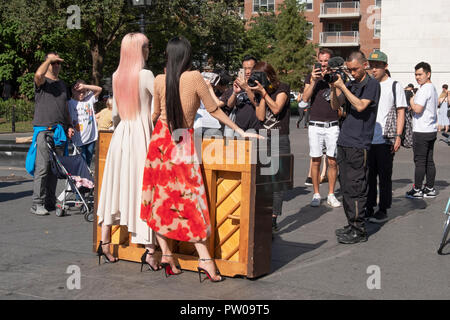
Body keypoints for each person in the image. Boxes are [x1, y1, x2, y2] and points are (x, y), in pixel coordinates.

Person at [140, 36, 262, 282]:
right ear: (186, 55)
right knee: (190, 202)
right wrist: (240, 131)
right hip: (182, 141)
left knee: (159, 201)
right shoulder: (195, 77)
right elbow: (215, 110)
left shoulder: (160, 79)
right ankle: (205, 259)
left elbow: (154, 115)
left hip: (160, 143)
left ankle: (166, 255)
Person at [96, 33, 159, 270]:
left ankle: (104, 243)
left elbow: (115, 115)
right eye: (146, 46)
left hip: (120, 135)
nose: (149, 49)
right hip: (141, 136)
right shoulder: (145, 75)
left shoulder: (116, 76)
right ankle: (149, 250)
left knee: (114, 186)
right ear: (139, 50)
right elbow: (158, 104)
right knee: (142, 188)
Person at [330, 51, 381, 244]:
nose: (352, 73)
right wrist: (334, 87)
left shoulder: (372, 84)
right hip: (344, 141)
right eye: (349, 69)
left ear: (365, 64)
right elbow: (336, 106)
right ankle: (351, 223)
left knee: (357, 187)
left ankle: (359, 230)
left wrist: (343, 85)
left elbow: (360, 106)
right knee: (347, 187)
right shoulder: (350, 83)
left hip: (359, 144)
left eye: (355, 69)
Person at [27, 52, 75, 216]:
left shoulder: (62, 84)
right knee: (43, 167)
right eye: (53, 63)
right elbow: (38, 74)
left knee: (55, 169)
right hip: (44, 130)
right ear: (47, 63)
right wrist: (49, 59)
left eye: (57, 63)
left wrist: (69, 125)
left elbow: (66, 107)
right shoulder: (42, 81)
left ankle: (49, 201)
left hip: (59, 131)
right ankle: (36, 203)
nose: (55, 65)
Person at [249, 61, 291, 232]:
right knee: (262, 179)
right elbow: (260, 117)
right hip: (263, 136)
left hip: (278, 136)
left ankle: (273, 217)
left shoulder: (283, 88)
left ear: (269, 75)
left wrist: (264, 93)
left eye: (260, 75)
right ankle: (263, 214)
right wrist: (259, 94)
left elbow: (276, 109)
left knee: (277, 180)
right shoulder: (260, 91)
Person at [366, 50, 406, 223]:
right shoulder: (367, 84)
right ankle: (368, 206)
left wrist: (398, 136)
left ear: (385, 67)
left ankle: (383, 208)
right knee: (368, 176)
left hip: (386, 138)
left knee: (384, 176)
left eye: (377, 66)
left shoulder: (394, 85)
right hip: (368, 138)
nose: (373, 69)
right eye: (371, 66)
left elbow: (401, 112)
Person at [302, 48, 341, 208]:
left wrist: (332, 83)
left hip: (332, 124)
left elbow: (337, 102)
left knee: (332, 161)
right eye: (321, 60)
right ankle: (316, 194)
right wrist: (313, 80)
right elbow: (304, 98)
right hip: (315, 125)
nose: (324, 64)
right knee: (316, 160)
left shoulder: (336, 77)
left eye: (327, 61)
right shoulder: (311, 77)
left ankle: (331, 194)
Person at [405, 62, 438, 199]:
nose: (417, 77)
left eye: (420, 74)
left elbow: (418, 108)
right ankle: (429, 188)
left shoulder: (425, 89)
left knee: (420, 161)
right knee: (429, 161)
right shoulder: (432, 88)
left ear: (428, 74)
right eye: (416, 74)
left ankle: (417, 189)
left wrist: (412, 100)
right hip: (431, 129)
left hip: (422, 130)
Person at [220, 55, 262, 137]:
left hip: (255, 129)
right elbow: (229, 105)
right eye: (245, 68)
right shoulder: (238, 83)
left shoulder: (259, 86)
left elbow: (258, 105)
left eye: (250, 68)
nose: (247, 71)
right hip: (238, 129)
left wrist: (246, 88)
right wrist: (235, 93)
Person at [68, 80, 102, 167]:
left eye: (83, 92)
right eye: (79, 92)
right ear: (73, 90)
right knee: (81, 164)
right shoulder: (70, 102)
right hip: (79, 140)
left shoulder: (89, 100)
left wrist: (84, 86)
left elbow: (99, 89)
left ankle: (85, 180)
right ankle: (79, 179)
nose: (82, 94)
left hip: (91, 138)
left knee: (88, 163)